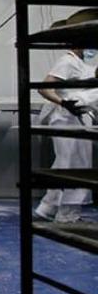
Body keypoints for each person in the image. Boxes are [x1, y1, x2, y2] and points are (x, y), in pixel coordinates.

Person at [35, 44, 97, 222]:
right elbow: (44, 88)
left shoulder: (82, 64)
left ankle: (48, 207)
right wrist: (63, 103)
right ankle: (67, 215)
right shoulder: (67, 61)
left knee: (67, 164)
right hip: (66, 119)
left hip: (79, 118)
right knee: (72, 166)